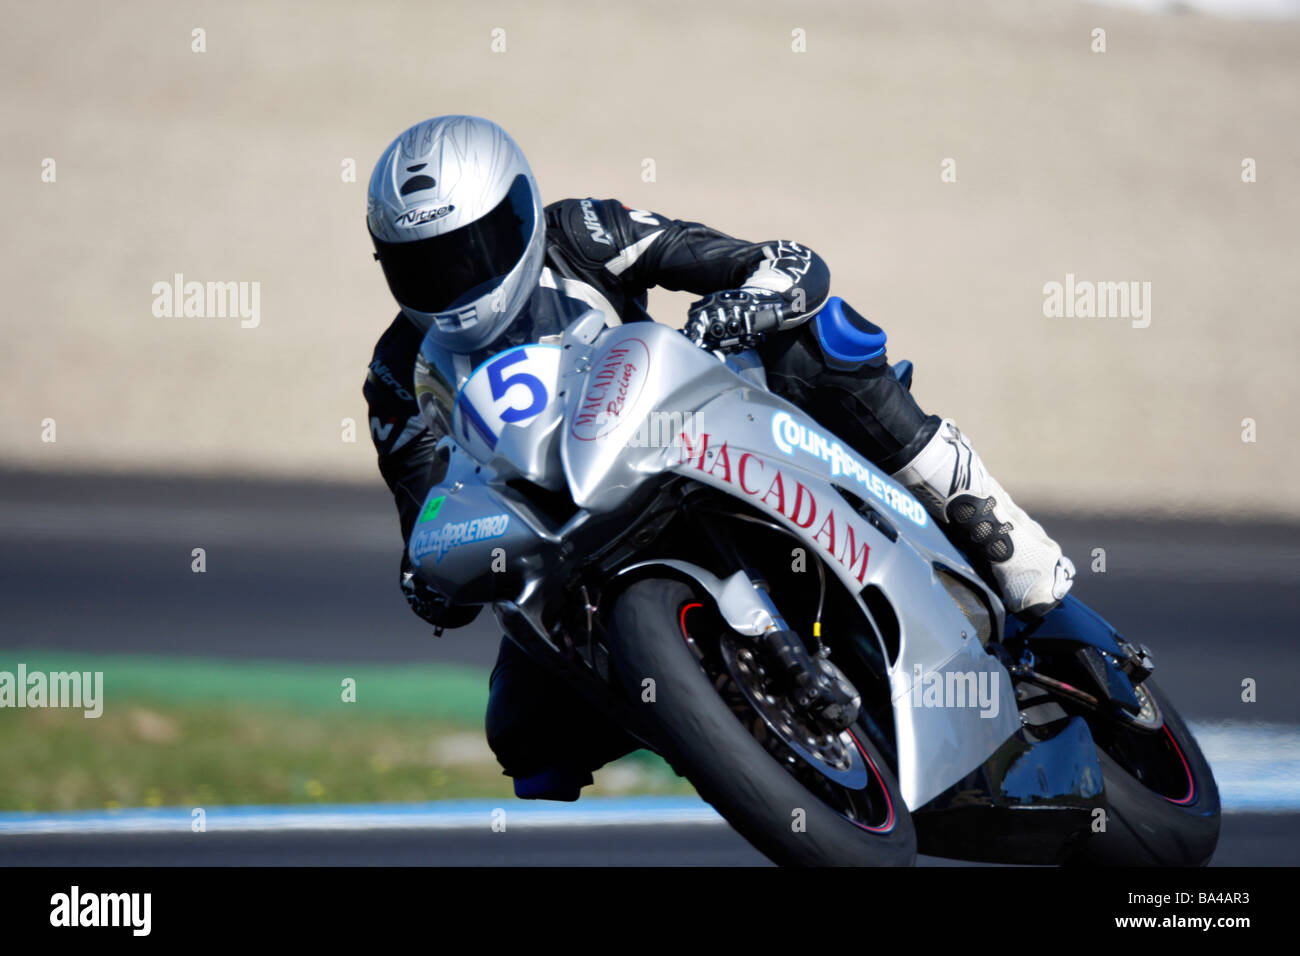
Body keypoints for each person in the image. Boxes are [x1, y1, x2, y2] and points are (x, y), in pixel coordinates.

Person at [363, 115, 1075, 799]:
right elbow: (422, 516)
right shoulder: (398, 372)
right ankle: (716, 728)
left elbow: (777, 264)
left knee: (816, 339)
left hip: (684, 440)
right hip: (561, 546)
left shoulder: (581, 232)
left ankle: (982, 515)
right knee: (525, 742)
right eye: (423, 268)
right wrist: (431, 573)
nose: (456, 281)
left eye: (473, 248)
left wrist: (746, 305)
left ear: (518, 213)